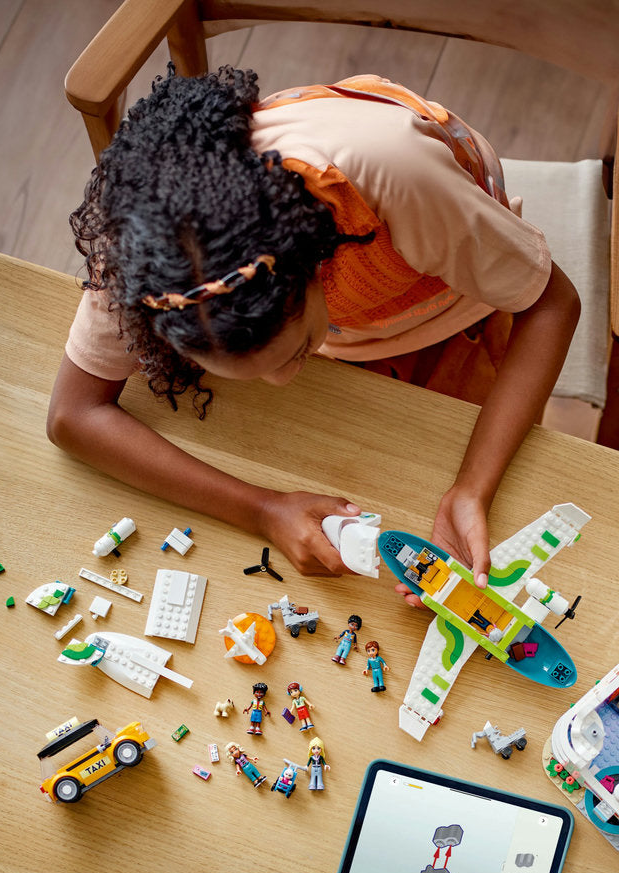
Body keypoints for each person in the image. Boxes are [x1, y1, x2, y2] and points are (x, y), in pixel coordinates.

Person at [47, 67, 579, 586]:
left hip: (455, 311)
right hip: (360, 333)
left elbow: (552, 304)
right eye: (245, 371)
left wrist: (471, 490)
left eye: (297, 350)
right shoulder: (155, 258)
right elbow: (72, 416)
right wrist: (261, 508)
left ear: (313, 258)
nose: (282, 383)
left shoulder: (390, 171)